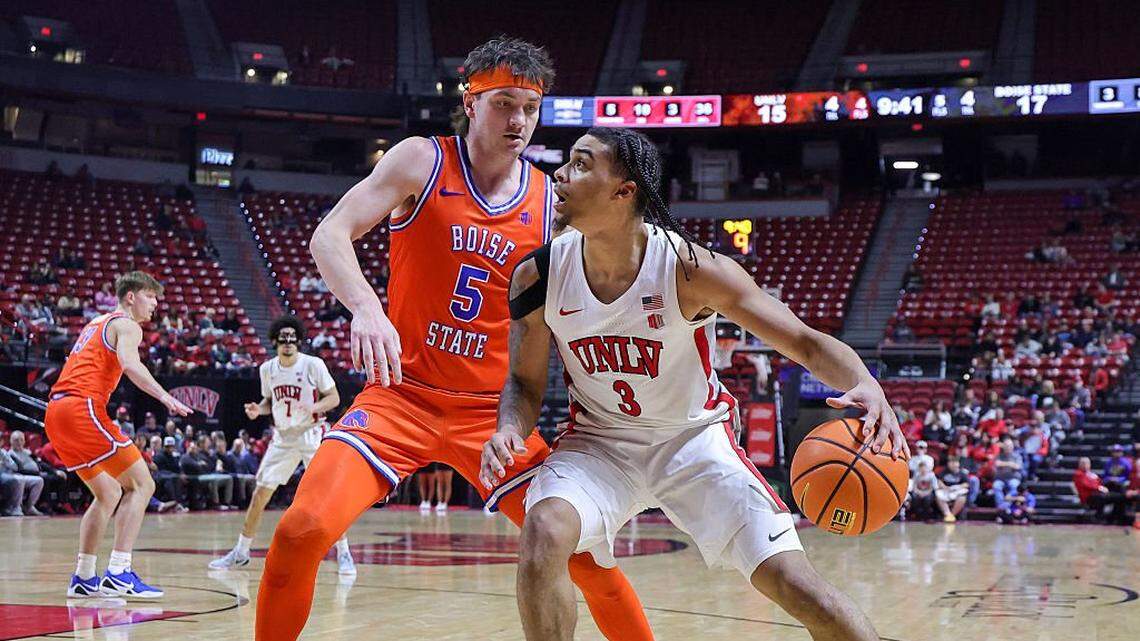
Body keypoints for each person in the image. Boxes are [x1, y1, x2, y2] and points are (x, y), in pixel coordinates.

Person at [255, 38, 653, 641]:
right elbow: (330, 235)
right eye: (503, 104)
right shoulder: (421, 160)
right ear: (470, 101)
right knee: (300, 530)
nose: (518, 120)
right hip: (401, 398)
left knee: (589, 560)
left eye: (529, 106)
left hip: (494, 420)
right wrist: (366, 308)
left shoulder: (552, 202)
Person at [481, 128, 903, 640]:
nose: (560, 175)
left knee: (795, 583)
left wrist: (867, 382)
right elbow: (523, 384)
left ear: (624, 190)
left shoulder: (688, 269)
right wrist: (509, 429)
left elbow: (805, 342)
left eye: (581, 163)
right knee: (545, 529)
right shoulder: (539, 275)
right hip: (598, 446)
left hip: (693, 442)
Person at [44, 271, 193, 598]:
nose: (155, 303)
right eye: (150, 296)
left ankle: (83, 577)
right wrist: (165, 396)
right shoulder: (127, 325)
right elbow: (130, 364)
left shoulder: (96, 323)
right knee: (144, 484)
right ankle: (119, 571)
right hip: (82, 408)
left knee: (109, 493)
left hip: (57, 412)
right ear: (130, 297)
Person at [210, 315, 353, 574]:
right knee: (260, 494)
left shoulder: (313, 364)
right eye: (283, 339)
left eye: (292, 339)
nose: (288, 343)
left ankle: (344, 553)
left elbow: (334, 398)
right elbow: (269, 401)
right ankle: (241, 552)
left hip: (311, 433)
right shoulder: (268, 369)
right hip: (283, 437)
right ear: (275, 341)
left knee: (328, 496)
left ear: (298, 341)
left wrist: (315, 406)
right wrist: (258, 409)